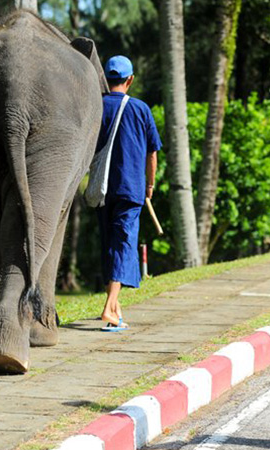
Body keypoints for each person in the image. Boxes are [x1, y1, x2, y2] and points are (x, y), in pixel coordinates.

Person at [96, 55, 162, 331]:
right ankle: (110, 307)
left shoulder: (95, 105)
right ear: (130, 79)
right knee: (124, 243)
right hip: (131, 189)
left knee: (110, 244)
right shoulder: (140, 108)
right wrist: (150, 185)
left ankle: (117, 313)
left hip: (100, 189)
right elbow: (152, 152)